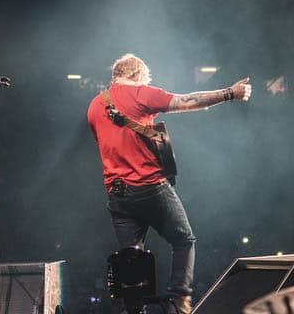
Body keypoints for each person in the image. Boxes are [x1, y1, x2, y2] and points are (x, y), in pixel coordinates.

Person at [87, 53, 251, 314]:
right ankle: (180, 299)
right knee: (184, 240)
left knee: (132, 257)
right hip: (149, 186)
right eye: (145, 77)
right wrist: (230, 93)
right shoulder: (141, 93)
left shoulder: (95, 105)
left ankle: (133, 309)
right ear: (135, 74)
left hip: (118, 195)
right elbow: (187, 101)